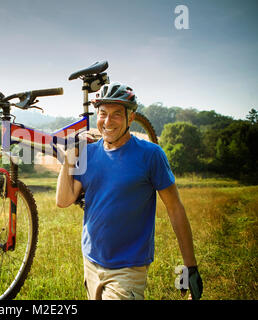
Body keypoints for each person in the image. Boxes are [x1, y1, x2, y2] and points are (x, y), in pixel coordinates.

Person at [56, 82, 203, 300]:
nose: (107, 121)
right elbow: (63, 200)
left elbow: (175, 209)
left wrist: (190, 267)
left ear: (131, 118)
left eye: (116, 114)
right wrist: (68, 159)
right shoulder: (88, 154)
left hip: (128, 269)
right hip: (91, 262)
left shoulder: (150, 155)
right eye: (103, 113)